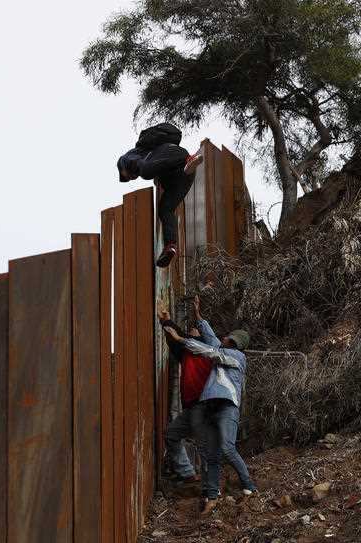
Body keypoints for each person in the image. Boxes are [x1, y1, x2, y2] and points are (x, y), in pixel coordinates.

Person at [163, 298, 256, 514]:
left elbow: (210, 350)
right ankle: (211, 496)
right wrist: (198, 314)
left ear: (233, 342)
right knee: (210, 454)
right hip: (209, 407)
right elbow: (211, 337)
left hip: (226, 407)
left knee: (227, 448)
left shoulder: (236, 357)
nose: (222, 338)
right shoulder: (222, 348)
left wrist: (180, 339)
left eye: (227, 337)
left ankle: (249, 485)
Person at [117, 123, 203, 267]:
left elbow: (138, 165)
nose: (132, 178)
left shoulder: (128, 158)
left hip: (174, 155)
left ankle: (186, 162)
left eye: (129, 177)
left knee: (145, 171)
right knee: (165, 209)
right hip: (183, 175)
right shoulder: (151, 156)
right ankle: (170, 246)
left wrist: (143, 170)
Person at [158, 302, 212, 485]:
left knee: (202, 442)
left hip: (203, 404)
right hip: (191, 406)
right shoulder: (186, 353)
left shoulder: (209, 354)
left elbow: (181, 337)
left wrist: (170, 323)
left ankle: (210, 487)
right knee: (172, 435)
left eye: (195, 330)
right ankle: (188, 473)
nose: (193, 330)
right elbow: (176, 339)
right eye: (191, 330)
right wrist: (166, 321)